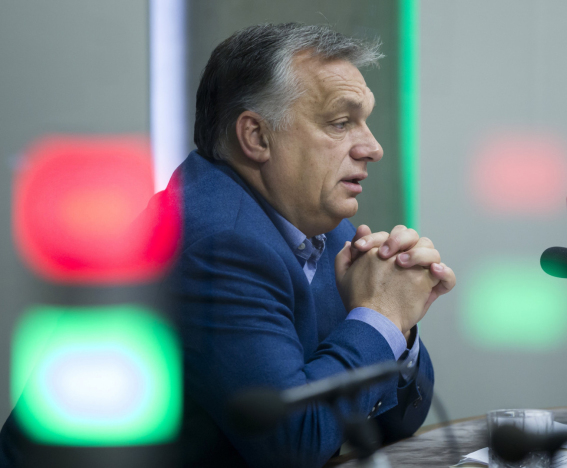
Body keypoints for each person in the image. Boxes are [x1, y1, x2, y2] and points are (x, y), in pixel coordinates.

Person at [168, 23, 456, 467]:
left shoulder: (323, 227)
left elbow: (396, 423)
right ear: (257, 137)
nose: (373, 148)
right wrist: (380, 316)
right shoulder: (218, 244)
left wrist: (398, 322)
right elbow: (293, 445)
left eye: (365, 122)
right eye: (341, 123)